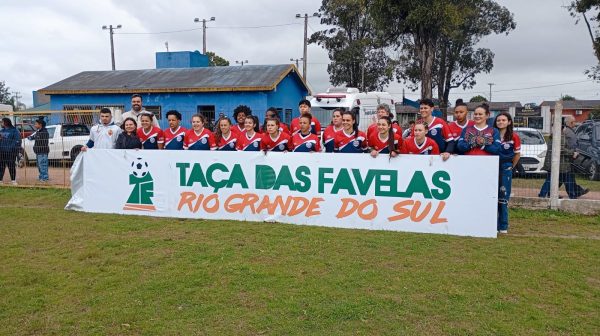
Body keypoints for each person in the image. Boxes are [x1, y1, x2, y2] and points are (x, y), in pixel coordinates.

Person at [538, 116, 589, 199]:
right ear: (563, 128)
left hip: (558, 162)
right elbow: (562, 149)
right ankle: (572, 195)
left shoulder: (554, 136)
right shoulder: (560, 137)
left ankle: (546, 194)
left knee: (554, 179)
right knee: (566, 179)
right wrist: (572, 153)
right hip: (562, 163)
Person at [495, 112, 521, 234]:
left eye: (503, 120)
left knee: (503, 196)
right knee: (492, 196)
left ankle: (503, 226)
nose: (500, 122)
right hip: (493, 166)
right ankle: (493, 225)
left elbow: (517, 154)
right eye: (498, 120)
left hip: (506, 167)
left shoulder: (514, 136)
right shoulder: (493, 135)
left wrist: (511, 167)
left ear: (509, 122)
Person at [27, 118, 50, 183]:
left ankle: (45, 178)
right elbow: (34, 137)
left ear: (40, 124)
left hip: (42, 152)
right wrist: (30, 137)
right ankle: (41, 176)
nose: (35, 125)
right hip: (38, 152)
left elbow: (43, 142)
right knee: (39, 166)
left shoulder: (44, 132)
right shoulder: (38, 131)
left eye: (36, 124)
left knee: (43, 165)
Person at [0, 118, 21, 185]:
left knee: (11, 166)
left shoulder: (14, 131)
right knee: (1, 166)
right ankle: (0, 180)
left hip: (11, 152)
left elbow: (17, 141)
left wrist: (11, 148)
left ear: (6, 122)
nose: (1, 123)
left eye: (2, 122)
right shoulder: (2, 130)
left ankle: (13, 180)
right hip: (2, 152)